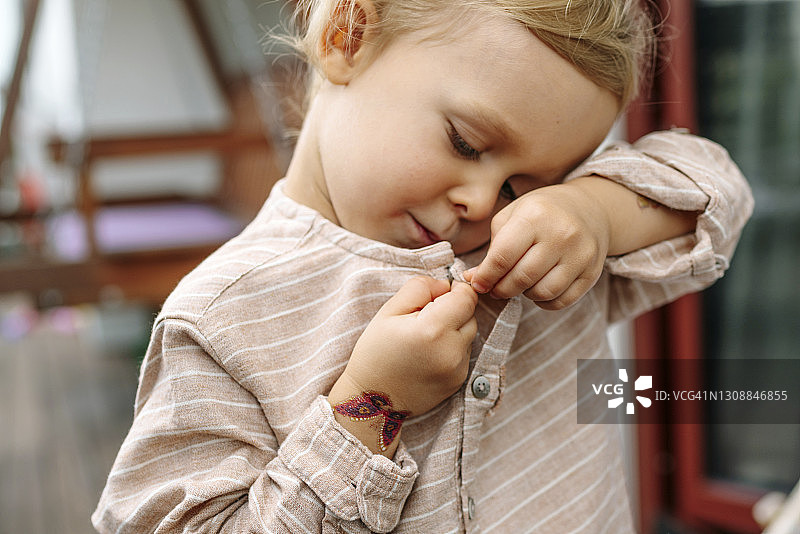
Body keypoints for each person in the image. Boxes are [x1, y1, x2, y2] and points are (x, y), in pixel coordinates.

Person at [92, 0, 753, 532]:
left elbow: (718, 191)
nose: (482, 202)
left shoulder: (536, 252)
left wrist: (595, 210)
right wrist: (372, 406)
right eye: (466, 142)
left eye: (525, 186)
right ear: (348, 34)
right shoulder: (222, 316)